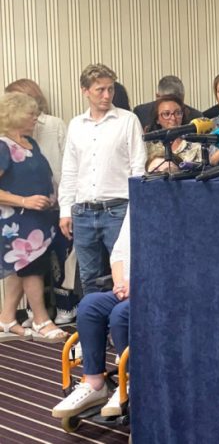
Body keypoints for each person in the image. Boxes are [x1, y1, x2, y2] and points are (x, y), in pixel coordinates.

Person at [58, 64, 146, 297]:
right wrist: (65, 210)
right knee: (89, 278)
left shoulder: (128, 120)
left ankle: (122, 321)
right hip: (83, 211)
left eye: (110, 89)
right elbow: (70, 170)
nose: (107, 95)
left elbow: (138, 168)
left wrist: (136, 209)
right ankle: (93, 321)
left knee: (125, 275)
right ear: (85, 91)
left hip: (119, 209)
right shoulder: (76, 125)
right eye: (100, 90)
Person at [4, 79, 77, 326]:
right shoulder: (4, 145)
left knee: (28, 266)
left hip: (44, 213)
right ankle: (41, 320)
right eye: (30, 113)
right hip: (20, 218)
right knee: (31, 266)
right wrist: (25, 200)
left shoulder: (31, 141)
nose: (36, 118)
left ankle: (6, 319)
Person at [52, 208, 131, 419]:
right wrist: (120, 283)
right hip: (127, 287)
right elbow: (119, 253)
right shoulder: (136, 203)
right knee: (90, 305)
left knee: (121, 315)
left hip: (157, 290)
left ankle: (131, 382)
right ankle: (94, 383)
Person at [144, 95, 202, 172]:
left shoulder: (195, 145)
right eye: (166, 114)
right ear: (157, 119)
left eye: (178, 113)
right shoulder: (149, 146)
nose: (173, 118)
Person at [133, 75, 202, 130]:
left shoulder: (196, 118)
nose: (173, 118)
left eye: (178, 101)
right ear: (158, 97)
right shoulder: (141, 114)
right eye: (166, 113)